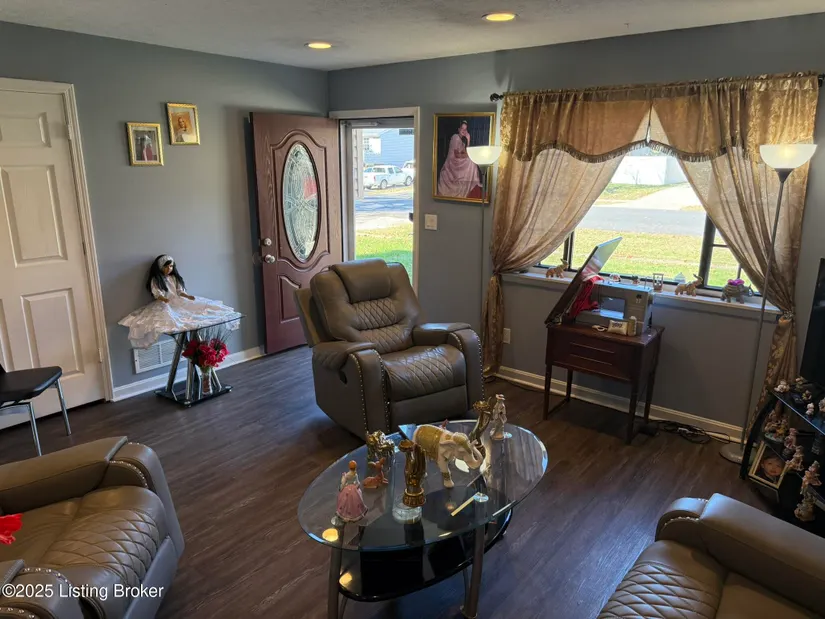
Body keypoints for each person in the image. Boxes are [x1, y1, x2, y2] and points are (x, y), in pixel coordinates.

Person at [118, 255, 242, 348]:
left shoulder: (174, 278)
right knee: (169, 317)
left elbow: (179, 291)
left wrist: (187, 296)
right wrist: (164, 299)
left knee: (200, 307)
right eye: (166, 266)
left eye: (171, 266)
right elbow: (157, 293)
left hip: (178, 300)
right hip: (166, 303)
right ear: (160, 267)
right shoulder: (156, 279)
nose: (169, 269)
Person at [437, 120, 482, 199]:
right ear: (459, 129)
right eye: (462, 129)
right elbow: (457, 155)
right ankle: (472, 182)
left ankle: (473, 183)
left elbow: (466, 152)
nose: (464, 131)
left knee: (471, 160)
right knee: (471, 161)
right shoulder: (455, 137)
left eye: (465, 129)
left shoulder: (463, 141)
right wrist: (469, 156)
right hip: (452, 163)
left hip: (458, 161)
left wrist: (468, 140)